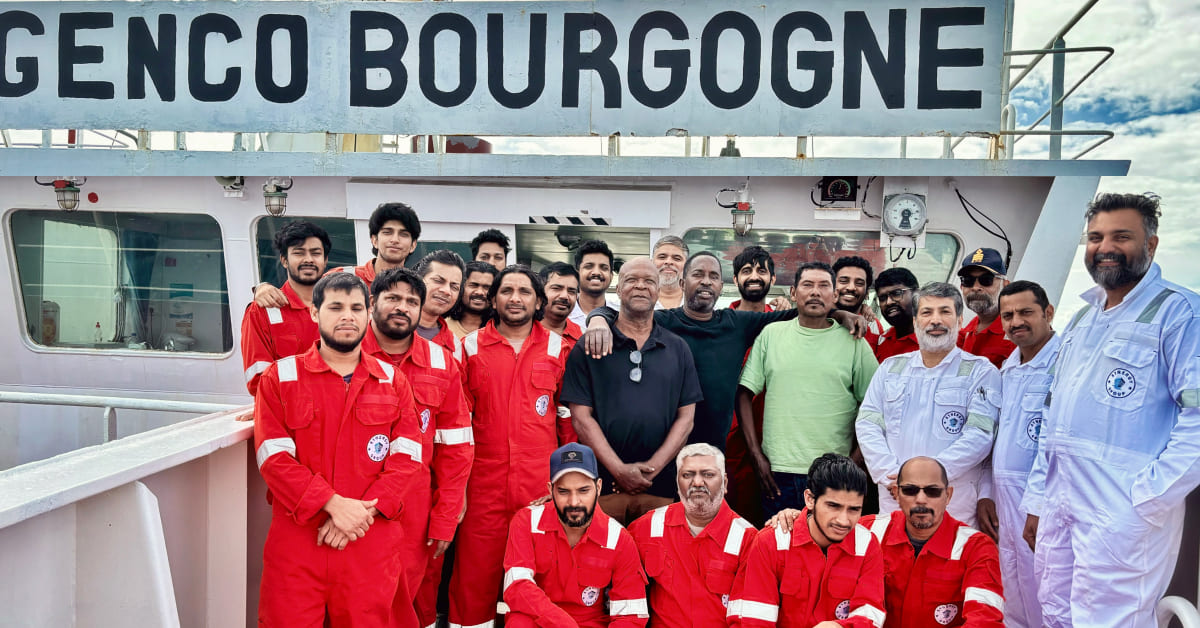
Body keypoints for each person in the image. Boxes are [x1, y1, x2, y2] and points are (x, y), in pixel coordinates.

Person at [1024, 193, 1200, 628]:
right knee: (1055, 611)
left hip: (1122, 510)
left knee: (1109, 620)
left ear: (1151, 245)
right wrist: (1037, 499)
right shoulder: (1084, 319)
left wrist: (1145, 501)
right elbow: (1054, 417)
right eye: (1096, 237)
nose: (1106, 247)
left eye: (1122, 236)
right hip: (1062, 502)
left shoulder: (1179, 313)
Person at [253, 272, 423, 627]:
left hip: (369, 540)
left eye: (356, 307)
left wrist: (358, 516)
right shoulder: (280, 378)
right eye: (335, 307)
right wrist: (332, 504)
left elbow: (407, 459)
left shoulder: (393, 381)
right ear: (315, 313)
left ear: (369, 312)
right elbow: (274, 457)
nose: (347, 316)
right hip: (300, 542)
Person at [585, 252, 865, 453]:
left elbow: (801, 310)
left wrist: (840, 313)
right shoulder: (662, 321)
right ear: (683, 284)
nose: (706, 282)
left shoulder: (738, 324)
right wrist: (597, 318)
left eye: (713, 277)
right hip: (666, 446)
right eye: (698, 275)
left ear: (722, 286)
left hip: (720, 449)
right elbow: (620, 313)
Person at [450, 265, 573, 628]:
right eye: (507, 291)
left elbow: (566, 420)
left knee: (542, 579)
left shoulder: (558, 348)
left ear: (539, 302)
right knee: (474, 580)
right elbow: (457, 423)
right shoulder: (468, 348)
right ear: (493, 299)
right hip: (482, 487)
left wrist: (562, 482)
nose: (515, 298)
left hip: (539, 487)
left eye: (525, 292)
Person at [360, 267, 474, 628]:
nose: (402, 308)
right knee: (360, 602)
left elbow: (457, 448)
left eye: (411, 301)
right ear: (371, 302)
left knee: (419, 603)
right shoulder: (346, 350)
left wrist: (444, 519)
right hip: (357, 505)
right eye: (393, 298)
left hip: (418, 509)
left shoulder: (442, 363)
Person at [562, 257, 702, 524]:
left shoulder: (678, 348)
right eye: (631, 280)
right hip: (602, 486)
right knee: (602, 560)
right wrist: (618, 470)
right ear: (617, 289)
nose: (640, 286)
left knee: (658, 562)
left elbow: (686, 419)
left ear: (659, 291)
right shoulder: (588, 346)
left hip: (660, 488)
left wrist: (651, 470)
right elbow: (581, 418)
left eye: (649, 281)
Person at [736, 262, 878, 518]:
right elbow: (744, 393)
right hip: (778, 473)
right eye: (807, 285)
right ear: (793, 293)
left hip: (835, 473)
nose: (815, 292)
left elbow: (879, 404)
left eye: (824, 286)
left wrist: (855, 463)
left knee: (830, 554)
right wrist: (757, 457)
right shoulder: (771, 334)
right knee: (780, 552)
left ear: (834, 296)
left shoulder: (854, 342)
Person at [855, 282, 1000, 526]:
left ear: (960, 320)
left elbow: (980, 435)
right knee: (894, 560)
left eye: (945, 312)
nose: (936, 320)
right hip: (894, 496)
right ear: (915, 321)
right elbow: (868, 424)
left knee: (949, 561)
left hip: (952, 503)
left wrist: (926, 480)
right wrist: (892, 475)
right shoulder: (891, 368)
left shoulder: (981, 372)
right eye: (927, 312)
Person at [972, 280, 1057, 628]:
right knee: (1011, 581)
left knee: (1047, 587)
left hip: (1042, 500)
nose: (1016, 321)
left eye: (1026, 312)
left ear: (1048, 313)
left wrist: (1037, 504)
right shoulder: (1008, 367)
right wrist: (987, 493)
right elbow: (998, 439)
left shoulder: (1065, 364)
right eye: (1008, 315)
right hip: (1005, 502)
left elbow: (1056, 443)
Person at [729, 454, 885, 628]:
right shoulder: (770, 542)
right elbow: (754, 621)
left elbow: (870, 614)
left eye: (854, 509)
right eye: (833, 506)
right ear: (810, 499)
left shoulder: (867, 544)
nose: (844, 520)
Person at [502, 443, 649, 628]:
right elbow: (517, 586)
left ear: (599, 487)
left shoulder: (619, 539)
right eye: (563, 491)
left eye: (583, 490)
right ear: (550, 490)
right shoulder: (527, 521)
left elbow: (630, 616)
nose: (574, 502)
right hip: (537, 618)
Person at [858, 457, 1004, 628]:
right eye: (910, 490)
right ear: (896, 494)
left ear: (948, 495)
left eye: (932, 491)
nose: (921, 499)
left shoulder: (976, 547)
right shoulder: (867, 532)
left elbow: (984, 620)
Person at [627, 443, 756, 628]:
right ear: (677, 483)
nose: (697, 483)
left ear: (725, 483)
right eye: (687, 475)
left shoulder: (748, 539)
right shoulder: (647, 526)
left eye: (708, 474)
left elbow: (747, 620)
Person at [252, 202, 420, 308]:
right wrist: (262, 288)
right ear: (374, 240)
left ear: (413, 245)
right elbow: (302, 290)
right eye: (388, 232)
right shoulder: (340, 277)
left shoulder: (418, 288)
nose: (395, 240)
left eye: (403, 234)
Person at [241, 220, 329, 395]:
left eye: (316, 253)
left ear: (325, 261)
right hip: (290, 416)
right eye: (299, 253)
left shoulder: (340, 308)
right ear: (284, 260)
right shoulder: (260, 312)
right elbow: (257, 381)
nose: (308, 259)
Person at [956, 248, 1015, 369]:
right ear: (962, 287)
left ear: (1005, 285)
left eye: (986, 280)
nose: (976, 287)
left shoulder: (1022, 330)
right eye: (968, 281)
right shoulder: (965, 333)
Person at [412, 249, 465, 356]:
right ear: (418, 281)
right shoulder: (388, 326)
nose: (446, 291)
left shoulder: (455, 347)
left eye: (454, 287)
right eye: (438, 281)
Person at [833, 256, 883, 348]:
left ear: (867, 292)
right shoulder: (816, 319)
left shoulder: (873, 324)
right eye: (844, 281)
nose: (851, 287)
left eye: (859, 283)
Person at [871, 268, 919, 362]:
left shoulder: (936, 340)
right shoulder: (882, 340)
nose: (888, 302)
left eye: (897, 293)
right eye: (882, 298)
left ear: (916, 295)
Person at [569, 239, 619, 327]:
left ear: (611, 275)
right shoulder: (564, 314)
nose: (596, 272)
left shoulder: (620, 316)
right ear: (577, 273)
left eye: (604, 268)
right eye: (589, 266)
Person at [446, 261, 498, 339]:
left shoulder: (501, 329)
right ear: (460, 287)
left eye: (486, 287)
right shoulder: (442, 326)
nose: (479, 292)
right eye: (473, 285)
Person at [539, 261, 584, 351]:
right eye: (556, 288)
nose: (564, 296)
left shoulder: (584, 337)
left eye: (571, 291)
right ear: (540, 292)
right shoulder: (522, 333)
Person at [731, 246, 776, 312]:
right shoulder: (721, 320)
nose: (754, 277)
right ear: (736, 280)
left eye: (761, 271)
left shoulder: (781, 319)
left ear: (772, 279)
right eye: (746, 271)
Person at [652, 235, 689, 309]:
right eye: (662, 257)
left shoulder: (698, 302)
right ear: (651, 262)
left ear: (687, 266)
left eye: (677, 258)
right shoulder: (636, 301)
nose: (668, 262)